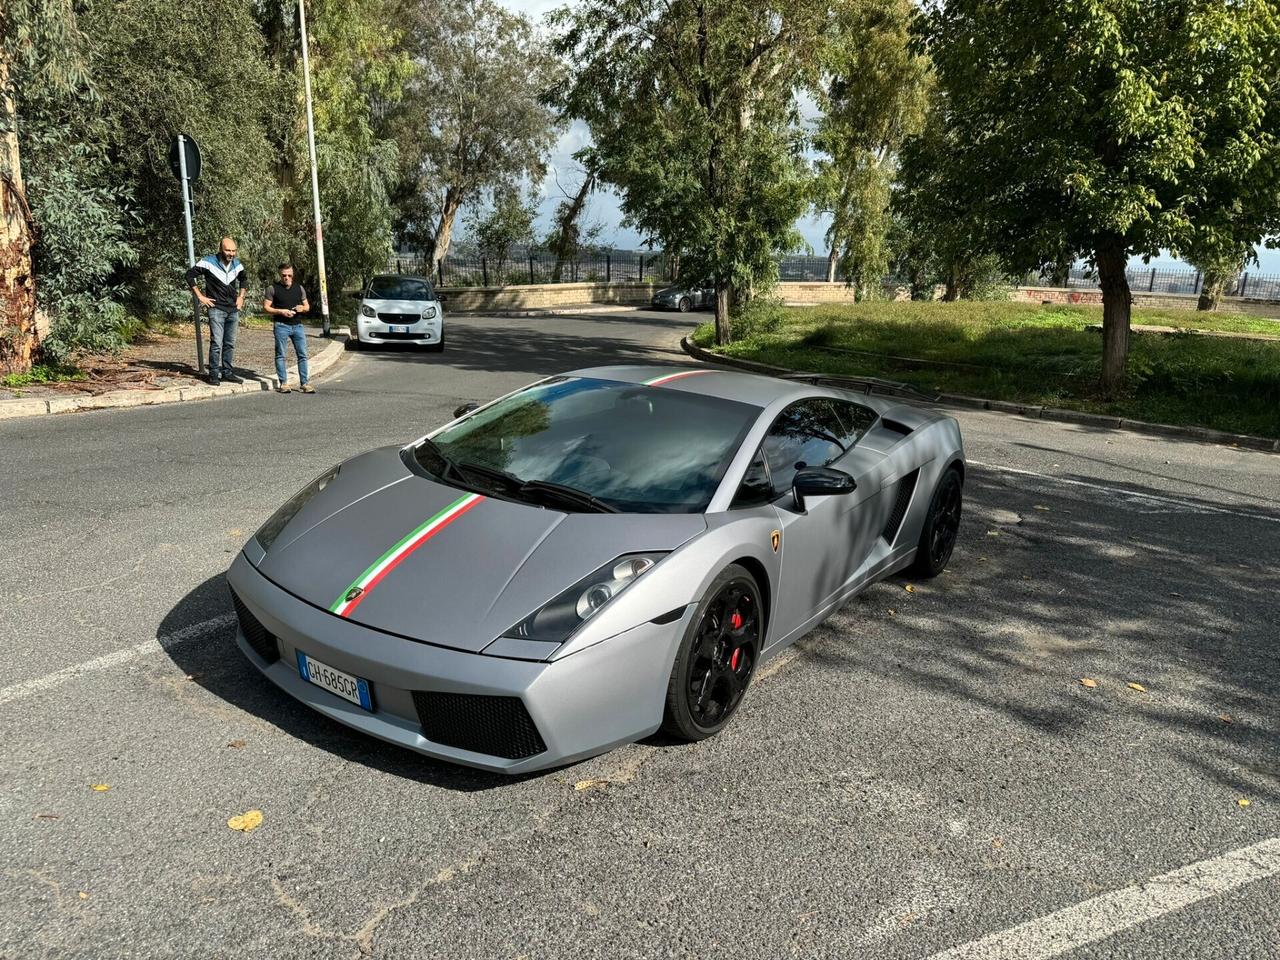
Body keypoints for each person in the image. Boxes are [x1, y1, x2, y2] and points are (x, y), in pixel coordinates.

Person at [186, 237, 248, 385]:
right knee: (217, 343)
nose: (231, 254)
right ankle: (213, 374)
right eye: (228, 250)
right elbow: (189, 275)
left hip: (232, 310)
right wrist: (200, 296)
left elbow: (244, 280)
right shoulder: (208, 262)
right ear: (221, 249)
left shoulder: (237, 264)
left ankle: (227, 372)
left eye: (233, 251)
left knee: (230, 343)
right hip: (216, 309)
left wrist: (241, 297)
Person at [263, 262, 314, 394]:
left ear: (293, 275)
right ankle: (283, 383)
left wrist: (302, 308)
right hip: (281, 326)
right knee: (281, 355)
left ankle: (305, 383)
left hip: (297, 326)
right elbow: (266, 307)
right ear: (280, 275)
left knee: (302, 354)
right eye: (284, 275)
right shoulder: (272, 288)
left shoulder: (299, 288)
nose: (287, 278)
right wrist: (281, 312)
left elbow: (307, 306)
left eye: (289, 275)